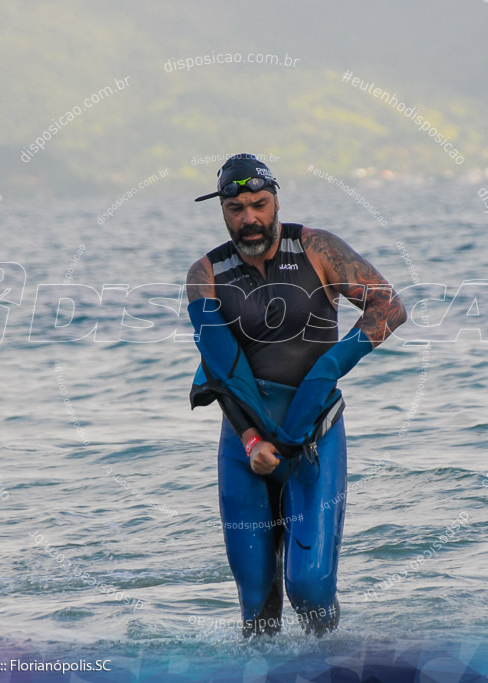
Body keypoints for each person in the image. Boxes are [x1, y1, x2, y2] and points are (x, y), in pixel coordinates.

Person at [186, 154, 406, 636]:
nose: (249, 219)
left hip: (315, 436)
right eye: (236, 208)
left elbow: (388, 305)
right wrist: (251, 441)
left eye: (259, 204)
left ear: (276, 200)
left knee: (310, 586)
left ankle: (331, 666)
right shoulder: (205, 274)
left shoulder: (317, 248)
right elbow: (222, 370)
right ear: (222, 211)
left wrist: (328, 367)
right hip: (246, 446)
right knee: (257, 606)